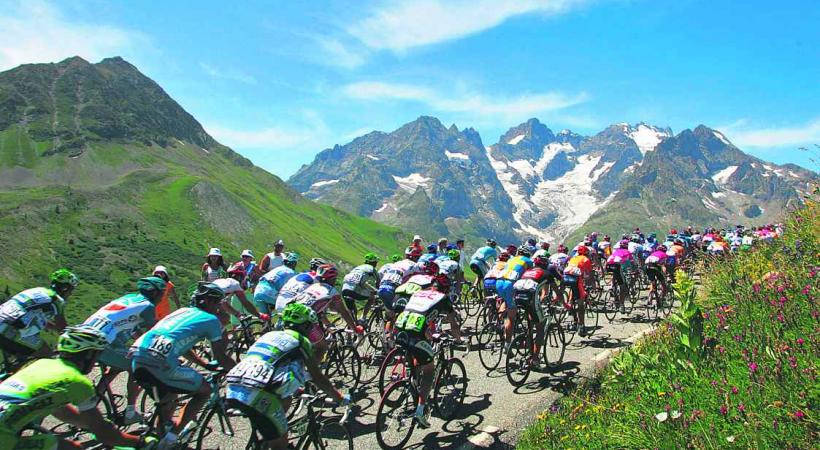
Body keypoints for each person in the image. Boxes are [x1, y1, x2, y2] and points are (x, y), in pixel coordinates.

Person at [0, 326, 156, 450]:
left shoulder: (42, 363)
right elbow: (105, 435)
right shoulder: (77, 382)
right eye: (97, 355)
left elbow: (61, 410)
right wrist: (140, 442)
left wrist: (92, 423)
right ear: (89, 355)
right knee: (71, 448)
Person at [224, 303, 349, 450]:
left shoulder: (269, 335)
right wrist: (339, 397)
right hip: (257, 394)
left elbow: (270, 366)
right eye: (311, 327)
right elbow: (317, 377)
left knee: (286, 400)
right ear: (306, 326)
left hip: (233, 387)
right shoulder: (302, 341)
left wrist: (295, 388)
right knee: (280, 444)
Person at [130, 283, 237, 450]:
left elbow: (183, 346)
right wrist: (238, 370)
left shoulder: (181, 312)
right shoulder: (211, 320)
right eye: (217, 304)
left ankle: (159, 436)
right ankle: (171, 438)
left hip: (138, 354)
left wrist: (204, 364)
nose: (218, 308)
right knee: (205, 390)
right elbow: (221, 358)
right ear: (209, 302)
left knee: (169, 396)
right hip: (161, 361)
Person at [81, 277, 165, 425]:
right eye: (162, 293)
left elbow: (132, 329)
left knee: (119, 362)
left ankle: (96, 396)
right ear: (155, 294)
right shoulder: (147, 307)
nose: (163, 297)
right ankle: (130, 413)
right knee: (136, 365)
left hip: (84, 336)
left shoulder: (130, 298)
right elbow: (155, 335)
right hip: (101, 343)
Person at [393, 273, 455, 428]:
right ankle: (420, 411)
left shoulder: (419, 292)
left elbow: (420, 317)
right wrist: (459, 339)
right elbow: (453, 323)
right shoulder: (443, 298)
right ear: (446, 289)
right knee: (429, 370)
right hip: (415, 334)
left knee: (418, 354)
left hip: (399, 330)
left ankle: (413, 382)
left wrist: (429, 335)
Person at [0, 269, 77, 360]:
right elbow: (62, 326)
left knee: (20, 358)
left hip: (4, 321)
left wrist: (54, 327)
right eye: (71, 290)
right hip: (10, 330)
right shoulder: (56, 300)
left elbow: (35, 318)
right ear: (65, 289)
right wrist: (75, 338)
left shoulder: (38, 290)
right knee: (47, 355)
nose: (71, 293)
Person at [293, 264, 362, 362]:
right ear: (331, 279)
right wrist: (355, 329)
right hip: (304, 320)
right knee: (322, 347)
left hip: (289, 313)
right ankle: (309, 375)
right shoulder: (332, 291)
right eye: (334, 279)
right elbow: (344, 312)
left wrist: (328, 324)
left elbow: (317, 311)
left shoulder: (313, 286)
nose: (335, 281)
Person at [496, 246, 534, 350]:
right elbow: (530, 276)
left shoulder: (511, 259)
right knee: (512, 318)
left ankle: (497, 322)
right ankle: (507, 345)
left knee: (506, 302)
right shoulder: (528, 261)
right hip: (510, 284)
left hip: (499, 282)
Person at [341, 253, 381, 322]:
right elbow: (378, 284)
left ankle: (351, 326)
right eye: (376, 262)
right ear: (374, 263)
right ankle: (363, 318)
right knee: (372, 298)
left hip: (344, 289)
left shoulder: (358, 268)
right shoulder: (372, 269)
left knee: (353, 312)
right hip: (354, 289)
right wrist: (377, 292)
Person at [563, 245, 593, 336]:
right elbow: (589, 275)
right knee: (581, 303)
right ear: (587, 253)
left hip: (565, 278)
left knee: (573, 297)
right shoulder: (586, 259)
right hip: (576, 280)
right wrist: (590, 286)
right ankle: (581, 326)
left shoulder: (573, 258)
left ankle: (572, 317)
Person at [606, 240, 635, 313]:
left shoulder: (616, 251)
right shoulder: (628, 252)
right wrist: (636, 271)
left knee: (616, 276)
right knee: (622, 286)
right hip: (617, 266)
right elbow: (632, 263)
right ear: (627, 246)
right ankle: (621, 305)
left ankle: (613, 289)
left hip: (608, 265)